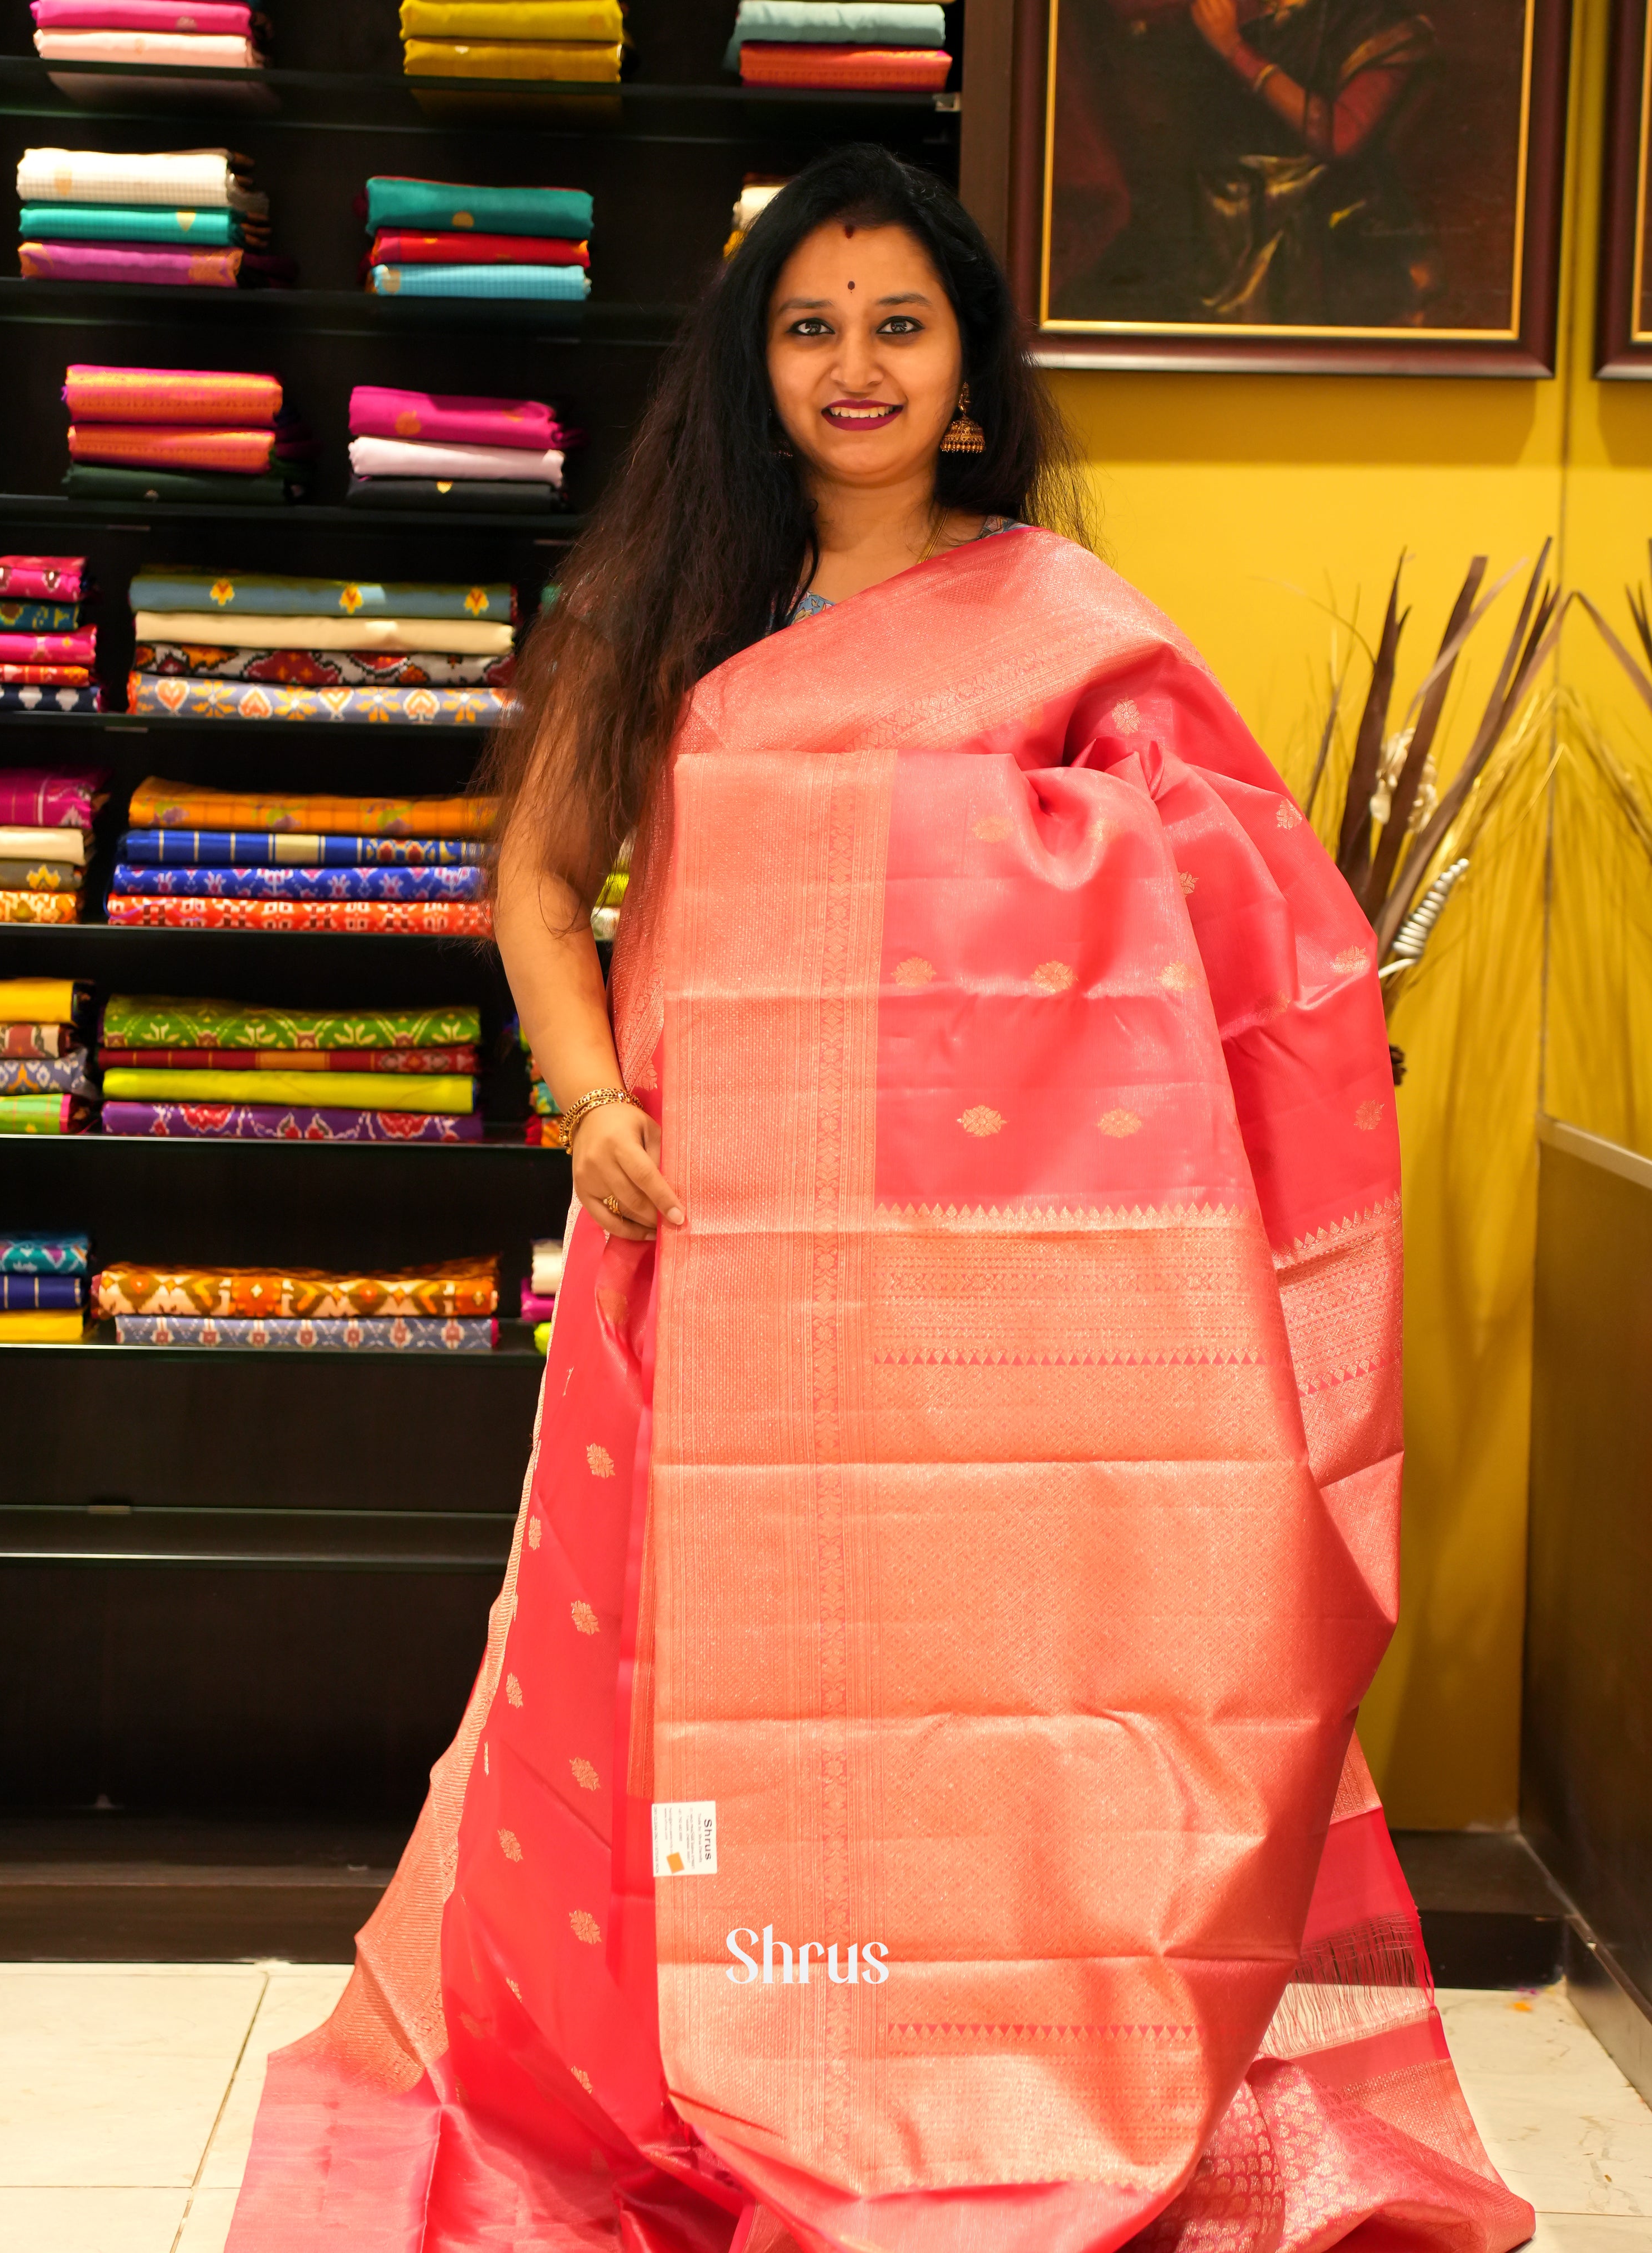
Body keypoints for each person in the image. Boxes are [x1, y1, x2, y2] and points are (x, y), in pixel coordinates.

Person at [225, 146, 1531, 2253]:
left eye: (894, 326)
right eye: (808, 326)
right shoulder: (673, 612)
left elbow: (1247, 919)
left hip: (978, 1305)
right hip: (719, 1262)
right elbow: (536, 882)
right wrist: (584, 1100)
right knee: (694, 1700)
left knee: (975, 1691)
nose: (854, 365)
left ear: (965, 371)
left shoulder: (1065, 625)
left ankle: (963, 2079)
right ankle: (695, 2062)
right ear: (753, 367)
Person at [1049, 0, 1437, 329]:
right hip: (1213, 212)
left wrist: (1234, 49)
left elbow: (1339, 134)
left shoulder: (1383, 26)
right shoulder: (1242, 10)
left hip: (1318, 220)